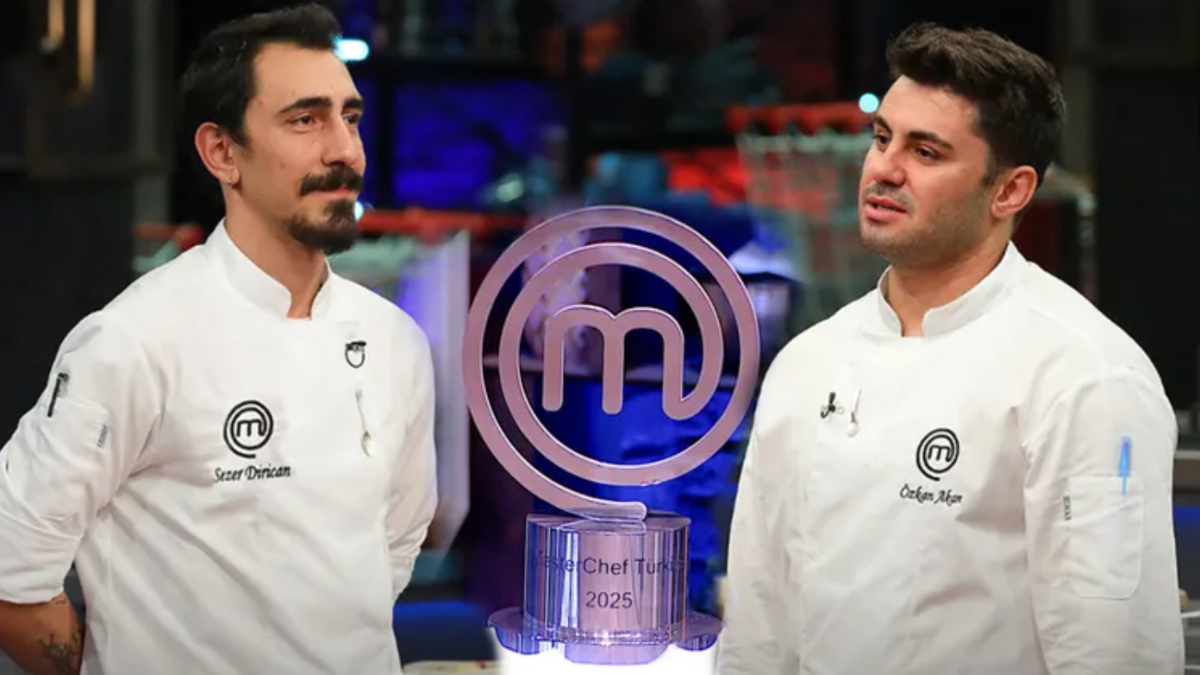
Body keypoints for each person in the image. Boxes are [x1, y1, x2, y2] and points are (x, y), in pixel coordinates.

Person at [717, 22, 1184, 675]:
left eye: (926, 152)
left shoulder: (1086, 375)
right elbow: (757, 629)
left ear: (1010, 190)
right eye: (882, 138)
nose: (884, 168)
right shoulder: (807, 362)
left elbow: (1114, 653)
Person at [0, 5, 438, 674]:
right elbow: (12, 574)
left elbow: (393, 552)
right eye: (305, 119)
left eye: (350, 118)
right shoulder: (134, 340)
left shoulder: (395, 340)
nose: (345, 151)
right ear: (221, 153)